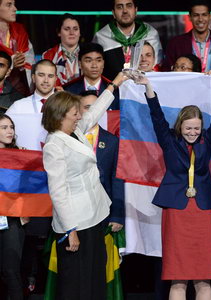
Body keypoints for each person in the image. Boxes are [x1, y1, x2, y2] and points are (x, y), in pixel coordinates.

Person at [133, 70, 211, 300]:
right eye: (188, 128)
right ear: (180, 126)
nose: (192, 132)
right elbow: (156, 115)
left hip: (202, 210)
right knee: (178, 277)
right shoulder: (169, 142)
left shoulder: (207, 140)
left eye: (196, 128)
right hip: (177, 211)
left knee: (203, 276)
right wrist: (147, 86)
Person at [41, 72, 127, 299]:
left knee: (95, 275)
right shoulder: (54, 145)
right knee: (75, 282)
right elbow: (58, 192)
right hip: (76, 223)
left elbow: (95, 111)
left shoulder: (76, 131)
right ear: (61, 116)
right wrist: (71, 230)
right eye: (75, 113)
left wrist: (116, 83)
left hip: (95, 215)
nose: (80, 116)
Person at [79, 90, 125, 232]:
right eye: (87, 107)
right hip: (75, 208)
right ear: (78, 110)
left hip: (103, 209)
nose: (93, 111)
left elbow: (117, 179)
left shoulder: (112, 141)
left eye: (97, 106)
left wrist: (117, 214)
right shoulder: (70, 138)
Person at [93, 0, 162, 80]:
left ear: (136, 10)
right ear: (113, 13)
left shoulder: (150, 34)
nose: (125, 11)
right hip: (114, 89)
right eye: (119, 7)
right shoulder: (101, 37)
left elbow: (158, 67)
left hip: (145, 88)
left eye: (129, 6)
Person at [0, 113, 29, 300]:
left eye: (11, 127)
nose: (10, 131)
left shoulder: (21, 154)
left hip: (12, 221)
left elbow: (30, 188)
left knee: (11, 271)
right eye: (4, 128)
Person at [162, 0, 211, 72]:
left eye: (204, 15)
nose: (200, 19)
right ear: (190, 17)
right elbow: (167, 72)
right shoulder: (176, 43)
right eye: (196, 15)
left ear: (210, 16)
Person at [63, 42, 120, 110]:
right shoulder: (69, 91)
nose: (94, 66)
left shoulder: (116, 92)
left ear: (103, 63)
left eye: (98, 60)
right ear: (80, 64)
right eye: (88, 61)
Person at [0, 0, 34, 94]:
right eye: (9, 5)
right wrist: (10, 63)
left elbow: (29, 64)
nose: (15, 9)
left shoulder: (20, 31)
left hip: (18, 91)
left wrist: (20, 65)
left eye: (14, 5)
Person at [42, 13, 81, 85]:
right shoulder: (48, 55)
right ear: (59, 32)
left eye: (75, 29)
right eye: (67, 29)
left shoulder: (88, 54)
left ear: (79, 32)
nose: (72, 33)